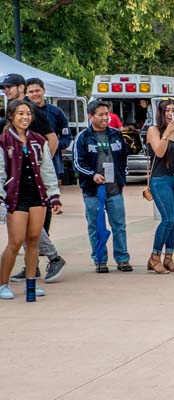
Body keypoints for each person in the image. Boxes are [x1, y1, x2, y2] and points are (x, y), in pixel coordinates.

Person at [2, 73, 66, 283]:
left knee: (31, 236)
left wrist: (49, 186)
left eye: (9, 87)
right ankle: (14, 279)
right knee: (18, 237)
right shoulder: (6, 131)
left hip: (34, 189)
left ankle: (39, 272)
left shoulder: (37, 118)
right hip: (14, 191)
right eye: (20, 114)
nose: (6, 90)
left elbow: (51, 143)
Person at [73, 100, 133, 273]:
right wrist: (92, 174)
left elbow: (124, 156)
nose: (105, 118)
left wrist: (123, 176)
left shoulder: (115, 134)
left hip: (114, 190)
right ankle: (100, 259)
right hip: (93, 191)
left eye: (107, 114)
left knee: (119, 225)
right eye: (100, 115)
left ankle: (123, 259)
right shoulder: (83, 137)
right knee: (95, 226)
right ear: (90, 116)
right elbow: (78, 163)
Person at [145, 100, 174, 274]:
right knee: (167, 219)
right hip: (161, 180)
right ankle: (154, 257)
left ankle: (168, 257)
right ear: (161, 113)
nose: (171, 113)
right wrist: (167, 133)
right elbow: (160, 152)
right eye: (167, 110)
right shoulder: (153, 130)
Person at [26, 78, 72, 184]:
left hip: (53, 160)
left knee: (52, 194)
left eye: (37, 90)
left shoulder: (56, 112)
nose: (35, 94)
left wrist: (52, 147)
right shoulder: (22, 112)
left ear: (44, 90)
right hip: (29, 158)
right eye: (31, 92)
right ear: (26, 93)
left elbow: (67, 137)